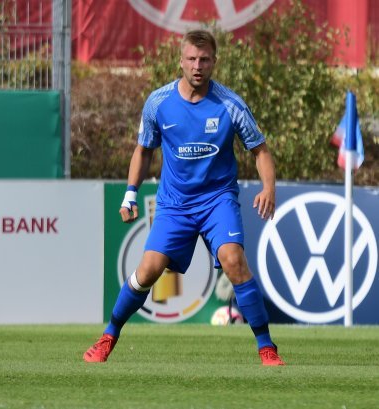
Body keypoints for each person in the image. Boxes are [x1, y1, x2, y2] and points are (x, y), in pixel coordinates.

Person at [84, 30, 284, 366]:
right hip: (175, 205)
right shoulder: (159, 103)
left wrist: (269, 188)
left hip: (217, 200)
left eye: (204, 60)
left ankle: (266, 347)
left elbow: (260, 150)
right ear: (180, 61)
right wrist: (130, 194)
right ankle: (108, 336)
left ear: (214, 62)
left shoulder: (230, 105)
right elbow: (144, 150)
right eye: (192, 59)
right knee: (147, 271)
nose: (198, 66)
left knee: (234, 260)